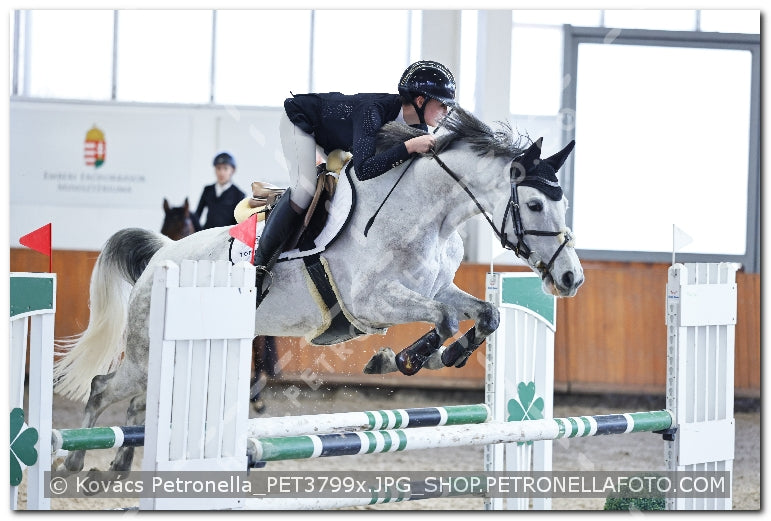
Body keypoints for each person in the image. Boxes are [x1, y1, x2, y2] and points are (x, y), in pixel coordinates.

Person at [253, 60, 456, 302]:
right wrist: (409, 147)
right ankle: (259, 268)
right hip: (303, 121)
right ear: (420, 101)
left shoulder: (420, 127)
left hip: (337, 140)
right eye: (442, 104)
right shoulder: (373, 111)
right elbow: (364, 170)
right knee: (304, 190)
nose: (447, 112)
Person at [194, 152, 246, 229]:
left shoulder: (239, 195)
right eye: (218, 168)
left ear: (232, 170)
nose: (221, 173)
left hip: (226, 238)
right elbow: (197, 216)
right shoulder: (207, 190)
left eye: (225, 168)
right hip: (207, 235)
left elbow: (238, 224)